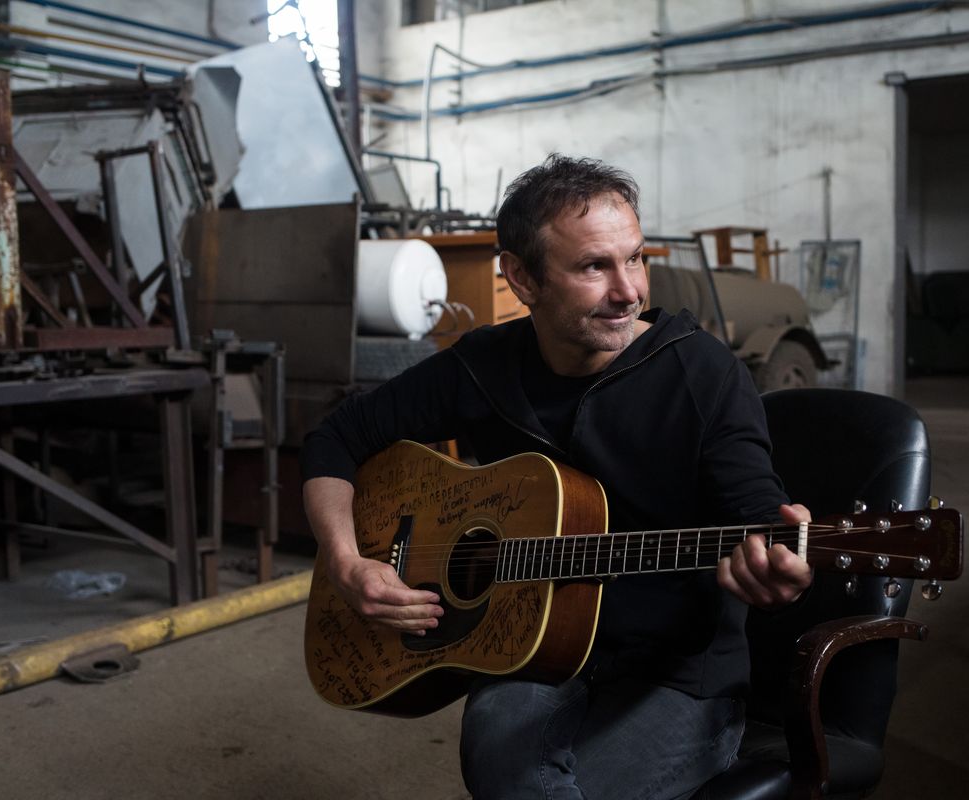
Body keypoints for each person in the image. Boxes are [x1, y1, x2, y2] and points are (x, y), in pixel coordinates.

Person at [301, 154, 813, 800]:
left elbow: (755, 509)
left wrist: (777, 562)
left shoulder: (704, 375)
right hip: (530, 649)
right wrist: (348, 563)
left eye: (635, 259)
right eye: (595, 267)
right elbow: (334, 440)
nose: (629, 291)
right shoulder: (484, 367)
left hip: (679, 675)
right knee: (508, 774)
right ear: (521, 277)